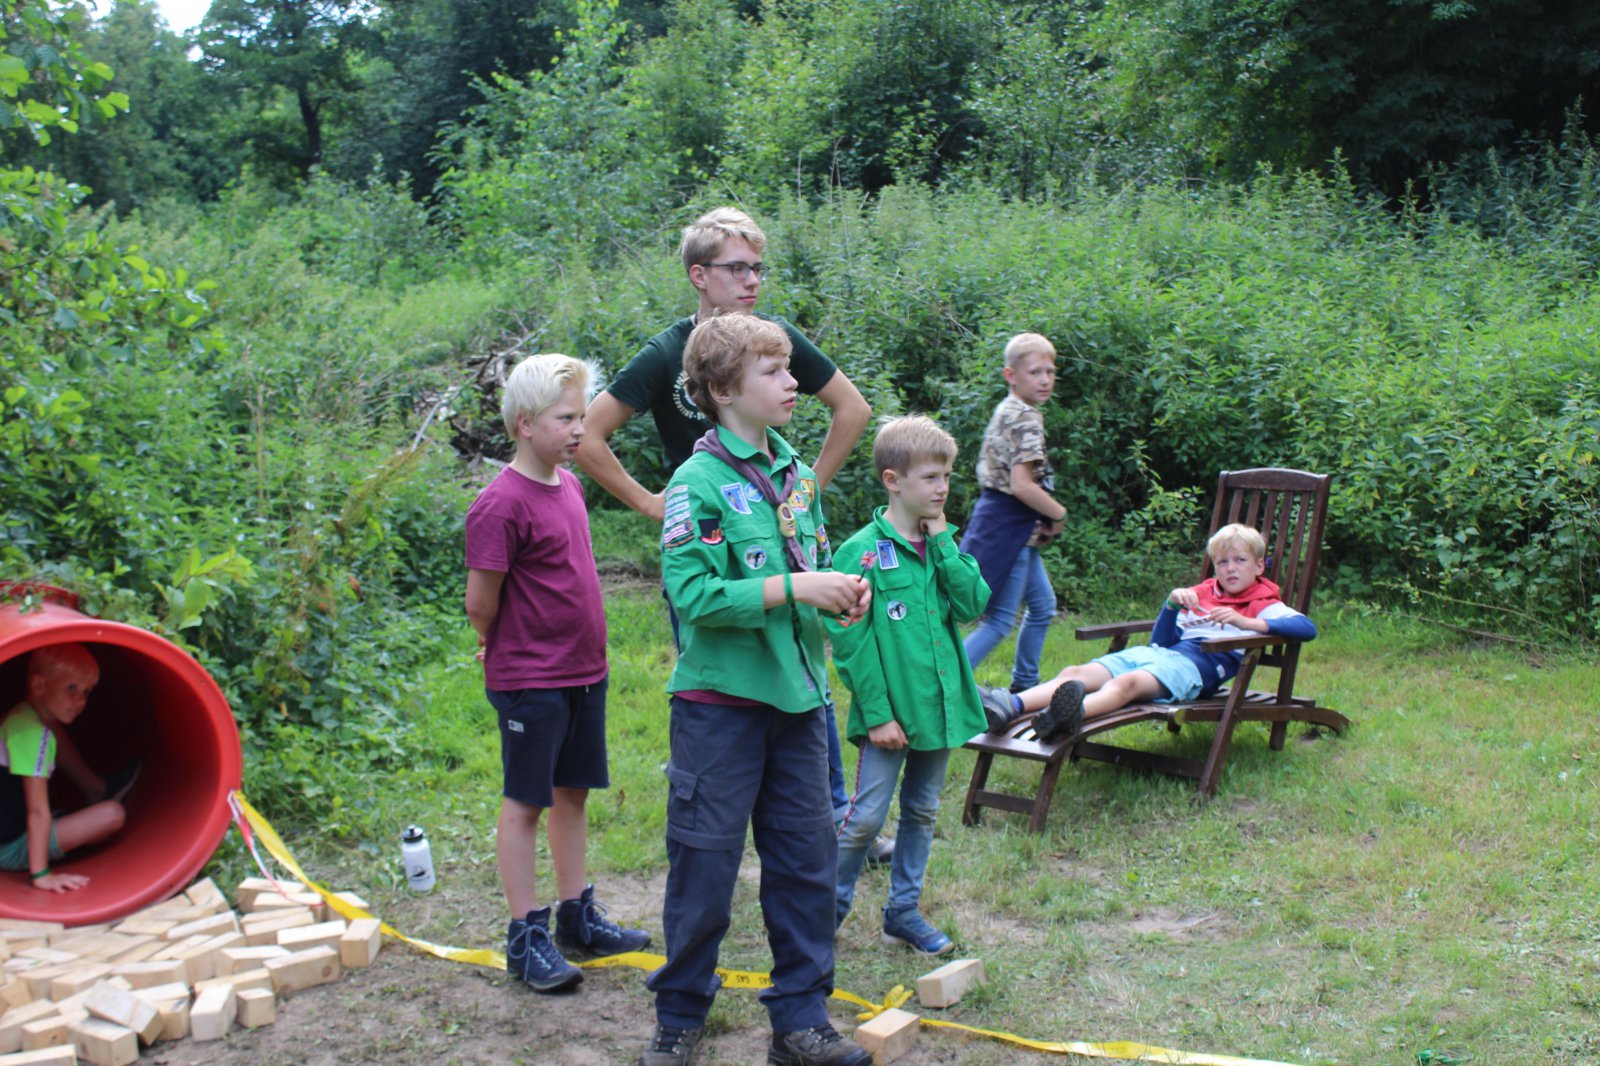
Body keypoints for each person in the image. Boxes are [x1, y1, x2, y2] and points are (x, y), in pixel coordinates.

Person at [576, 206, 888, 864]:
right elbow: (591, 434)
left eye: (758, 268)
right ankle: (718, 809)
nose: (752, 281)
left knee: (806, 667)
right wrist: (651, 503)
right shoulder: (667, 353)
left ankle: (825, 814)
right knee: (716, 684)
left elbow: (852, 409)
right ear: (698, 275)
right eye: (736, 268)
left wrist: (801, 495)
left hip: (775, 540)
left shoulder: (773, 338)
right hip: (710, 546)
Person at [642, 314, 873, 1066]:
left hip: (801, 703)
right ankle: (679, 1019)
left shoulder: (798, 475)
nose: (793, 383)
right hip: (719, 710)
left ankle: (800, 1023)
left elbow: (813, 564)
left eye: (789, 368)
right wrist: (795, 586)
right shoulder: (695, 483)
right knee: (704, 866)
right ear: (719, 390)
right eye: (773, 372)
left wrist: (838, 592)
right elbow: (697, 599)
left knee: (805, 864)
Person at [465, 353, 650, 995]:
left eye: (581, 416)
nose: (580, 429)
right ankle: (526, 936)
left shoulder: (569, 485)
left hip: (583, 673)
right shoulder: (498, 505)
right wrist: (500, 647)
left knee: (572, 793)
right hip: (530, 681)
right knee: (526, 802)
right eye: (565, 418)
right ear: (523, 424)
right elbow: (479, 603)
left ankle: (577, 916)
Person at [825, 416, 989, 958]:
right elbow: (849, 642)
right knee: (866, 817)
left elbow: (972, 604)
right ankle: (824, 913)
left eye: (947, 477)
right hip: (890, 716)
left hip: (938, 710)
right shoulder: (862, 553)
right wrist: (876, 713)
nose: (943, 488)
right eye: (931, 478)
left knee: (921, 811)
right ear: (893, 480)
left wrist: (943, 541)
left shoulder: (940, 542)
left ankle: (903, 911)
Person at [980, 523, 1318, 741]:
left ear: (1259, 567)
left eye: (1240, 561)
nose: (1230, 569)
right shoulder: (1201, 593)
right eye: (1223, 562)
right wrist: (1171, 605)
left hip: (1198, 666)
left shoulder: (1262, 601)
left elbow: (1306, 627)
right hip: (1161, 655)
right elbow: (1161, 641)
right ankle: (1009, 704)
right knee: (1075, 672)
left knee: (1126, 684)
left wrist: (1248, 623)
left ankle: (1069, 715)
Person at [960, 332, 1067, 692]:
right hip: (1010, 526)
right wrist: (1059, 514)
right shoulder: (1025, 417)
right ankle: (943, 684)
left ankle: (1025, 684)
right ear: (1011, 375)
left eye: (1050, 372)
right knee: (999, 620)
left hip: (1015, 524)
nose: (1045, 380)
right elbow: (1022, 485)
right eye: (1035, 372)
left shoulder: (1010, 409)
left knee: (1042, 606)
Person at [0, 643, 136, 892]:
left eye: (86, 691)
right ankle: (49, 854)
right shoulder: (33, 736)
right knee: (113, 815)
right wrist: (41, 876)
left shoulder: (22, 715)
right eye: (71, 688)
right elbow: (37, 813)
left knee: (52, 726)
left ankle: (94, 790)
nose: (80, 700)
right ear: (38, 685)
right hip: (8, 848)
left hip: (8, 828)